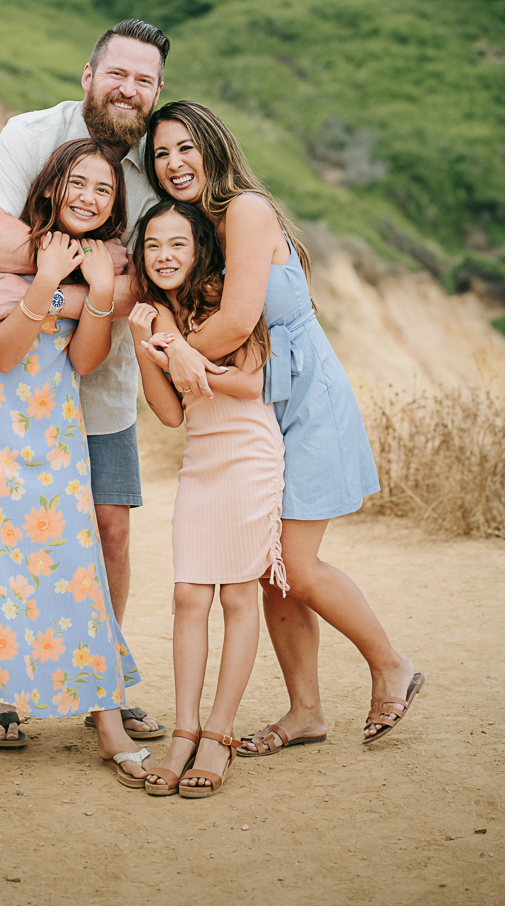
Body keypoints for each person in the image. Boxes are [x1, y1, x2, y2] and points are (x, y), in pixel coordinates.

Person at [140, 101, 424, 756]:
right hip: (259, 408)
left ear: (213, 147)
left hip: (306, 404)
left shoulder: (245, 210)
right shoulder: (194, 229)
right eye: (160, 154)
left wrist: (180, 355)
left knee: (293, 563)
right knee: (268, 567)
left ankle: (391, 666)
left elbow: (239, 322)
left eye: (185, 147)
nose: (174, 163)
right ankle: (306, 711)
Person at [0, 19, 186, 742]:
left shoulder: (160, 166)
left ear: (156, 92)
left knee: (109, 531)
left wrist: (74, 296)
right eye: (118, 73)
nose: (130, 89)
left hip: (101, 375)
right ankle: (4, 690)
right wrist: (85, 273)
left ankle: (99, 689)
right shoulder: (34, 133)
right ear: (89, 76)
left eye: (145, 80)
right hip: (17, 375)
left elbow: (158, 277)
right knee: (9, 535)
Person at [0, 139, 159, 786]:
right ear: (52, 186)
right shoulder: (11, 250)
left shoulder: (97, 263)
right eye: (77, 183)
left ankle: (107, 726)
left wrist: (93, 291)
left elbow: (84, 361)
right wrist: (50, 280)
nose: (89, 197)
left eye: (104, 190)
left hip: (53, 427)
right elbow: (1, 353)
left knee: (76, 564)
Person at [126, 200, 285, 798]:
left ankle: (218, 736)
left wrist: (186, 351)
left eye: (178, 245)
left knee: (240, 595)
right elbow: (170, 414)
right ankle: (183, 732)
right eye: (153, 246)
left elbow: (249, 382)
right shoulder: (150, 315)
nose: (164, 256)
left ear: (199, 251)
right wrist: (149, 346)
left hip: (248, 454)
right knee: (188, 594)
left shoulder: (225, 298)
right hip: (201, 461)